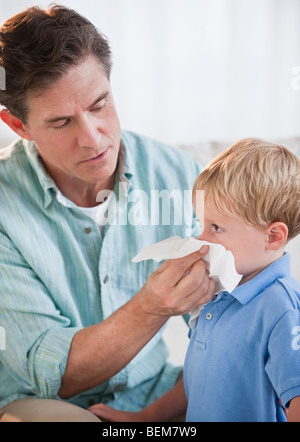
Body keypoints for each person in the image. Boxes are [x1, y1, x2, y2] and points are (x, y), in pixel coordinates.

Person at [0, 6, 216, 422]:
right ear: (18, 125)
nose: (92, 138)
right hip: (46, 406)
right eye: (61, 122)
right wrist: (151, 306)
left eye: (99, 104)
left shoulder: (178, 174)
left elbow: (225, 331)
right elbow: (52, 376)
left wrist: (157, 414)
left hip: (158, 391)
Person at [88, 138, 300, 422]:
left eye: (216, 227)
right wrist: (146, 417)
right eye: (202, 224)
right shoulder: (219, 294)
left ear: (273, 237)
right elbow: (202, 377)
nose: (201, 238)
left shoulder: (280, 308)